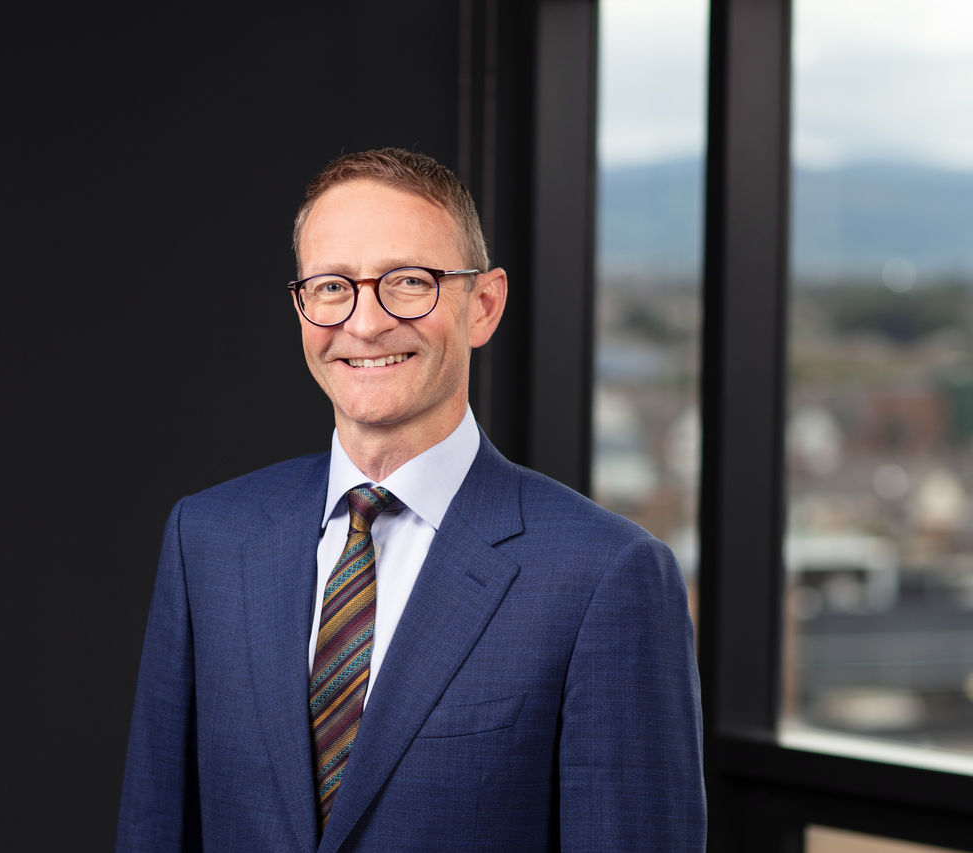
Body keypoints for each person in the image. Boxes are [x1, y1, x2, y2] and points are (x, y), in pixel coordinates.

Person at [116, 148, 706, 851]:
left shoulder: (605, 575)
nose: (365, 323)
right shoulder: (208, 539)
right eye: (332, 286)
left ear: (483, 305)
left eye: (407, 282)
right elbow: (155, 829)